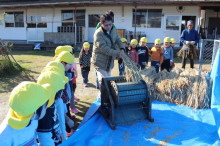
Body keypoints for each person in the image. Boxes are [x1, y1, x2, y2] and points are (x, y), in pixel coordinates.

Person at [0, 81, 52, 145]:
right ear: (35, 111)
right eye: (45, 105)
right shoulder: (4, 137)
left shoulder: (32, 120)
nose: (46, 108)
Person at [92, 14, 124, 92]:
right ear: (101, 24)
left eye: (110, 24)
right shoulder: (98, 34)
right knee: (104, 82)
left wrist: (122, 48)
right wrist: (118, 53)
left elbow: (118, 40)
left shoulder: (113, 30)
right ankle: (104, 100)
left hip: (109, 62)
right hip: (100, 62)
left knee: (107, 79)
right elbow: (105, 49)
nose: (109, 27)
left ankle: (103, 97)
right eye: (106, 25)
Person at [37, 71, 67, 146]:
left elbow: (55, 119)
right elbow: (45, 139)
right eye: (60, 91)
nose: (62, 93)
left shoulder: (51, 103)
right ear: (54, 91)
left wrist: (59, 133)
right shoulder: (43, 112)